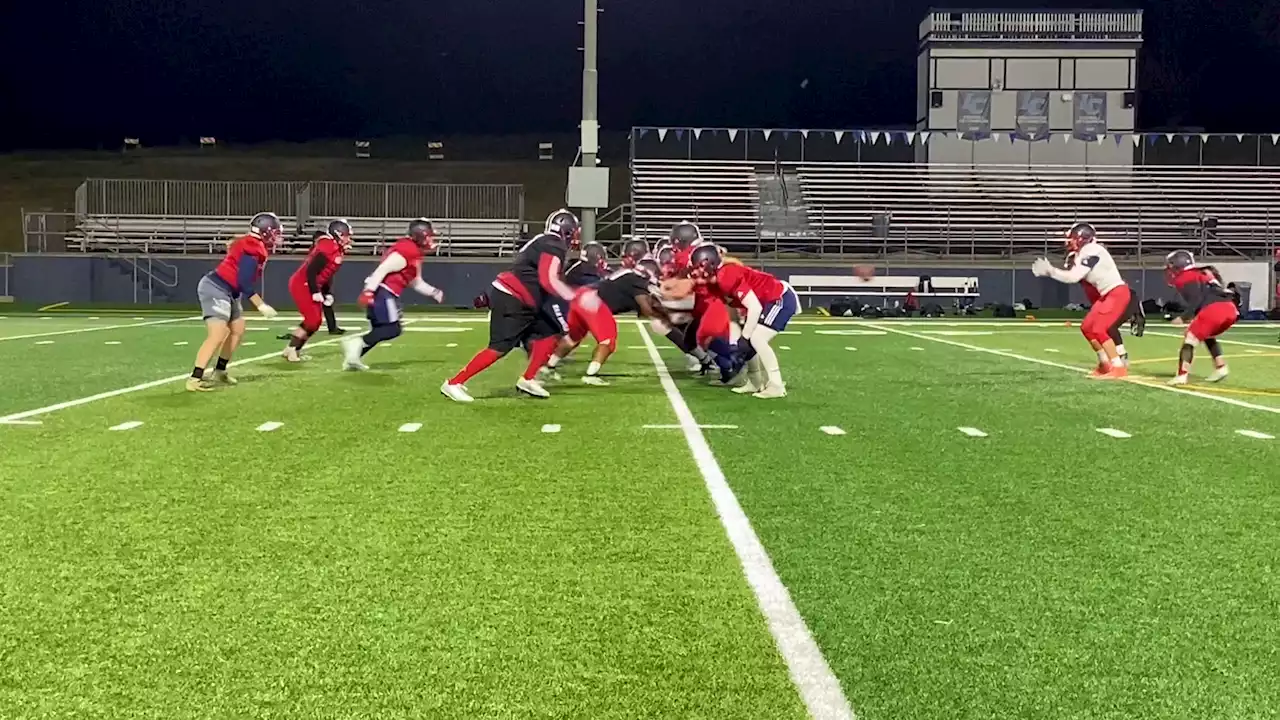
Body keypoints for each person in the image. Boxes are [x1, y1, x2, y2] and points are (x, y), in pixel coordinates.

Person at [441, 209, 583, 402]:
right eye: (573, 232)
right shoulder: (553, 244)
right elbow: (547, 279)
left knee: (552, 331)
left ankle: (528, 379)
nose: (575, 237)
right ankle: (454, 383)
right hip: (514, 298)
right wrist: (573, 297)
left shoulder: (544, 241)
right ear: (566, 231)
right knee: (499, 348)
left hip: (523, 299)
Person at [187, 212, 281, 391]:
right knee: (218, 333)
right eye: (274, 232)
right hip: (216, 287)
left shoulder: (253, 245)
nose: (276, 237)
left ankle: (220, 371)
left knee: (237, 330)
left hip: (231, 290)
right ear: (264, 231)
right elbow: (244, 282)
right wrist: (260, 304)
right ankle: (195, 378)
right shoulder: (253, 247)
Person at [691, 244, 798, 398]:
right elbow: (732, 312)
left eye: (698, 268)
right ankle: (755, 381)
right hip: (762, 303)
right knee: (746, 341)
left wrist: (745, 337)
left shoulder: (726, 276)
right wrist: (736, 341)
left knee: (755, 338)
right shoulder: (714, 283)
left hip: (779, 298)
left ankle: (776, 385)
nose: (695, 272)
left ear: (710, 264)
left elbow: (754, 307)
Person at [341, 219, 444, 370]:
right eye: (429, 236)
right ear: (421, 236)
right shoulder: (407, 250)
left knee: (380, 329)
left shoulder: (413, 251)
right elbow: (383, 269)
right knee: (392, 329)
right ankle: (355, 343)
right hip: (382, 291)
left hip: (383, 291)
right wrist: (369, 291)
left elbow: (416, 282)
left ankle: (352, 359)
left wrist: (434, 292)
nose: (431, 240)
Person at [1033, 222, 1131, 379]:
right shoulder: (1085, 252)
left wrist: (1052, 271)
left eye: (1072, 238)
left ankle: (1118, 367)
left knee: (1099, 329)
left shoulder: (1092, 250)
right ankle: (1104, 364)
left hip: (1116, 292)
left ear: (1082, 238)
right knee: (1087, 327)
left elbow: (1073, 277)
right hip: (1107, 294)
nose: (1069, 242)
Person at [545, 264, 670, 385]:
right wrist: (665, 316)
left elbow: (639, 309)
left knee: (573, 337)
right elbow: (646, 309)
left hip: (581, 295)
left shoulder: (628, 276)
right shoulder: (638, 281)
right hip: (594, 301)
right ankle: (590, 376)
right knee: (607, 341)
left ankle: (549, 366)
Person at [1165, 250, 1238, 386]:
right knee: (1207, 335)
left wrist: (1184, 317)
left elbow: (1196, 299)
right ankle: (1221, 367)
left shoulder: (1186, 277)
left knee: (1190, 339)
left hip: (1214, 309)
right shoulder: (1203, 272)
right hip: (1230, 309)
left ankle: (1182, 375)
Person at [284, 219, 351, 362]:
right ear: (338, 234)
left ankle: (292, 349)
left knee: (315, 321)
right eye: (346, 235)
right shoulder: (328, 246)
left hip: (311, 284)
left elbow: (326, 274)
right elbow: (311, 270)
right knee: (312, 320)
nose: (348, 239)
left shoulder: (336, 249)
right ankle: (292, 350)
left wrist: (326, 292)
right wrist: (315, 291)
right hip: (303, 283)